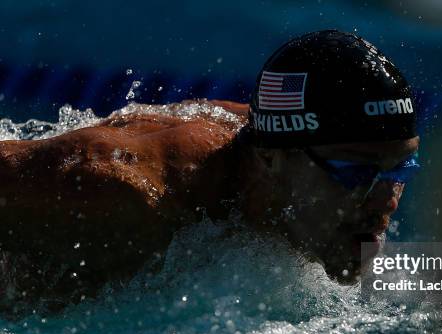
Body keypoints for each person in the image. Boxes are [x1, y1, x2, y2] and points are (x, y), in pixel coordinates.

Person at [0, 30, 420, 314]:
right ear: (272, 159)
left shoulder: (285, 168)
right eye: (354, 173)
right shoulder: (126, 195)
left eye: (401, 168)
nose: (387, 198)